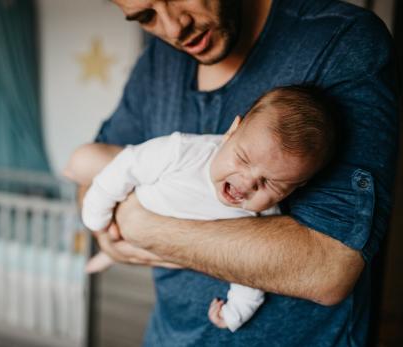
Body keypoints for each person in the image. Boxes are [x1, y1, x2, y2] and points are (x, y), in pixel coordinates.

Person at [76, 0, 398, 345]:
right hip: (167, 336)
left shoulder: (339, 41)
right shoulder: (156, 63)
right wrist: (101, 221)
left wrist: (140, 224)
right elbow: (92, 175)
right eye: (146, 16)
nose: (172, 28)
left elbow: (329, 268)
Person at [65, 85, 337, 332]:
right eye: (243, 159)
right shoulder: (185, 150)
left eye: (270, 183)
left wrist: (236, 311)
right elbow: (127, 166)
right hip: (141, 197)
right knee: (88, 162)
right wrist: (97, 214)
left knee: (142, 246)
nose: (247, 183)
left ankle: (112, 253)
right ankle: (111, 250)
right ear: (231, 133)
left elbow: (252, 269)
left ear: (293, 188)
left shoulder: (263, 215)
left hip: (165, 244)